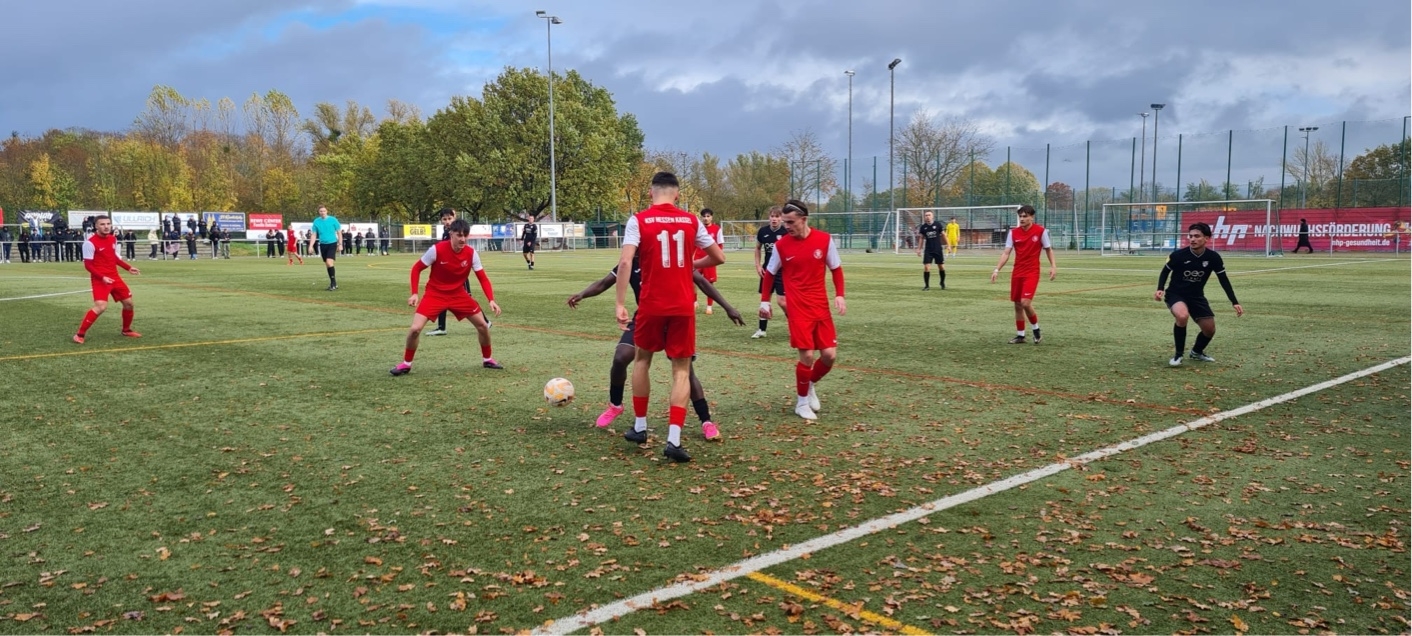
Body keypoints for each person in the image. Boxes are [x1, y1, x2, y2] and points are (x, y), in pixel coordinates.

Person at [568, 255, 744, 441]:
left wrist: (728, 307)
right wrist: (582, 294)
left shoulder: (669, 259)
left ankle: (706, 421)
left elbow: (701, 281)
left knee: (686, 372)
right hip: (646, 317)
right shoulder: (629, 263)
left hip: (674, 318)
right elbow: (604, 283)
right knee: (621, 357)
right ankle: (615, 405)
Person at [613, 171, 725, 463]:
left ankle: (640, 427)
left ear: (651, 193)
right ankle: (673, 439)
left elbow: (625, 262)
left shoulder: (638, 220)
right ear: (677, 194)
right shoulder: (691, 221)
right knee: (681, 371)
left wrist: (620, 303)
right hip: (682, 305)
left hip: (651, 304)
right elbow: (718, 257)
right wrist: (690, 264)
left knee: (642, 361)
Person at [759, 199, 847, 421]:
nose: (786, 226)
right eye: (785, 222)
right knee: (807, 355)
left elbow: (836, 269)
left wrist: (839, 294)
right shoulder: (781, 245)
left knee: (829, 356)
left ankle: (809, 384)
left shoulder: (824, 240)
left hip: (820, 306)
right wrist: (765, 301)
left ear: (804, 219)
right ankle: (801, 403)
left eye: (791, 222)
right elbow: (770, 274)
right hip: (797, 307)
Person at [389, 219, 503, 376]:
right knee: (415, 329)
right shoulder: (436, 250)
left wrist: (491, 299)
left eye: (465, 235)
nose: (463, 239)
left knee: (483, 326)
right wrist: (414, 293)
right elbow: (416, 269)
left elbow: (482, 278)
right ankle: (406, 364)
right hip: (435, 294)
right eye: (459, 235)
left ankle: (487, 359)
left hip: (458, 295)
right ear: (451, 234)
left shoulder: (471, 253)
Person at [1156, 222, 1244, 367]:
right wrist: (1160, 288)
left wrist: (1234, 301)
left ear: (1207, 238)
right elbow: (1165, 271)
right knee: (1182, 316)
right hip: (1175, 294)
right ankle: (1178, 355)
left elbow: (1223, 279)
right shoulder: (1178, 255)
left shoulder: (1213, 257)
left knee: (1209, 329)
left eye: (1197, 236)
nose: (1192, 239)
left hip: (1196, 296)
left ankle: (1196, 352)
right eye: (1190, 236)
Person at [990, 205, 1056, 344]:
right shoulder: (1013, 233)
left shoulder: (1041, 231)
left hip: (1032, 272)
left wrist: (1053, 266)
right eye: (1020, 216)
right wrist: (997, 269)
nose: (1022, 219)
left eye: (1025, 216)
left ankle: (1036, 330)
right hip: (1017, 272)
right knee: (1017, 304)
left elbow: (1048, 249)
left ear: (1032, 217)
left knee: (1025, 302)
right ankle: (1021, 336)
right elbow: (1006, 253)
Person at [73, 215, 141, 344]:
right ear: (96, 226)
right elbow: (88, 265)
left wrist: (128, 268)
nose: (106, 226)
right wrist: (102, 277)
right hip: (100, 279)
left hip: (115, 277)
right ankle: (79, 334)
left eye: (108, 224)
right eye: (102, 224)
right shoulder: (89, 243)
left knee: (129, 304)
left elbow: (113, 257)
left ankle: (126, 330)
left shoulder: (113, 239)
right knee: (101, 307)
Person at [752, 205, 788, 338]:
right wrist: (758, 266)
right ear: (769, 217)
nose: (774, 219)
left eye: (777, 217)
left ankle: (794, 324)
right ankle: (762, 330)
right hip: (767, 271)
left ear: (781, 218)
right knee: (764, 300)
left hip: (782, 272)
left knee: (782, 301)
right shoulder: (763, 231)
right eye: (772, 216)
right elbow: (757, 248)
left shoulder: (786, 232)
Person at [428, 208, 464, 336]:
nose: (447, 221)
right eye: (444, 219)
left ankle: (485, 322)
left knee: (466, 299)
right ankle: (441, 327)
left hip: (458, 272)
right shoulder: (446, 232)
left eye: (450, 218)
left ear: (454, 218)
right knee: (442, 297)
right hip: (448, 273)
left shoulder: (458, 232)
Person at [695, 209, 725, 314]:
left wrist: (716, 257)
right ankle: (694, 301)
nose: (706, 218)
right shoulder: (698, 228)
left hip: (710, 261)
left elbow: (720, 245)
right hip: (698, 260)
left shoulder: (717, 229)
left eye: (708, 216)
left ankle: (709, 306)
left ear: (711, 217)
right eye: (704, 216)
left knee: (709, 283)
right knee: (692, 280)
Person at [915, 211, 948, 290]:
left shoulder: (937, 224)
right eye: (926, 215)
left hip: (938, 249)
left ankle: (942, 282)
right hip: (928, 250)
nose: (927, 217)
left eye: (929, 215)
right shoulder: (923, 227)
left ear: (932, 216)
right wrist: (919, 249)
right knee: (926, 267)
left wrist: (948, 245)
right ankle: (927, 286)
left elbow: (944, 235)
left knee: (941, 267)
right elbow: (921, 238)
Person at [312, 206, 341, 291]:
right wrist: (310, 245)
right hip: (323, 244)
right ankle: (334, 283)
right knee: (328, 264)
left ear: (326, 211)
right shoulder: (316, 221)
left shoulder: (333, 220)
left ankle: (333, 284)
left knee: (329, 262)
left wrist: (340, 244)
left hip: (332, 243)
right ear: (319, 212)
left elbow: (339, 232)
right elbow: (314, 234)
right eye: (321, 211)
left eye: (324, 211)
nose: (322, 212)